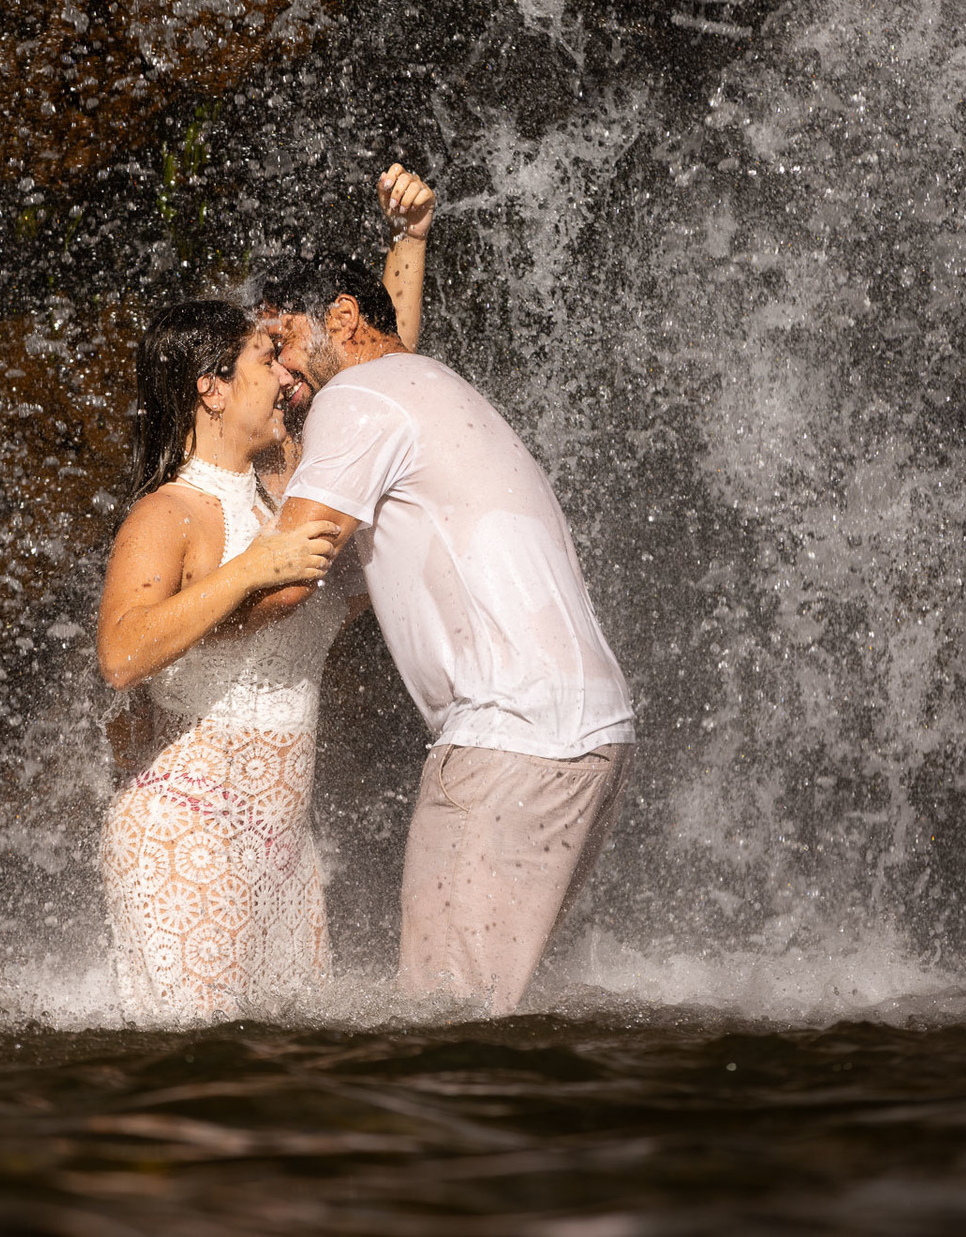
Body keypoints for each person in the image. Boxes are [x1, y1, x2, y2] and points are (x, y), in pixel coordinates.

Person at [254, 257, 636, 1017]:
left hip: (512, 733)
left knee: (444, 1021)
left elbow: (290, 571)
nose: (278, 373)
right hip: (590, 731)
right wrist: (413, 239)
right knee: (492, 1009)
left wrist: (170, 619)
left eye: (280, 340)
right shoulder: (432, 384)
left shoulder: (355, 397)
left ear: (340, 318)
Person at [96, 167, 435, 1022]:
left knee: (286, 1099)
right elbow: (120, 652)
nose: (287, 374)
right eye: (264, 359)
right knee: (195, 1088)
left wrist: (413, 242)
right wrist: (250, 570)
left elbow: (383, 384)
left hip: (285, 851)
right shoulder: (172, 511)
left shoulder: (282, 496)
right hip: (185, 828)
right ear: (209, 386)